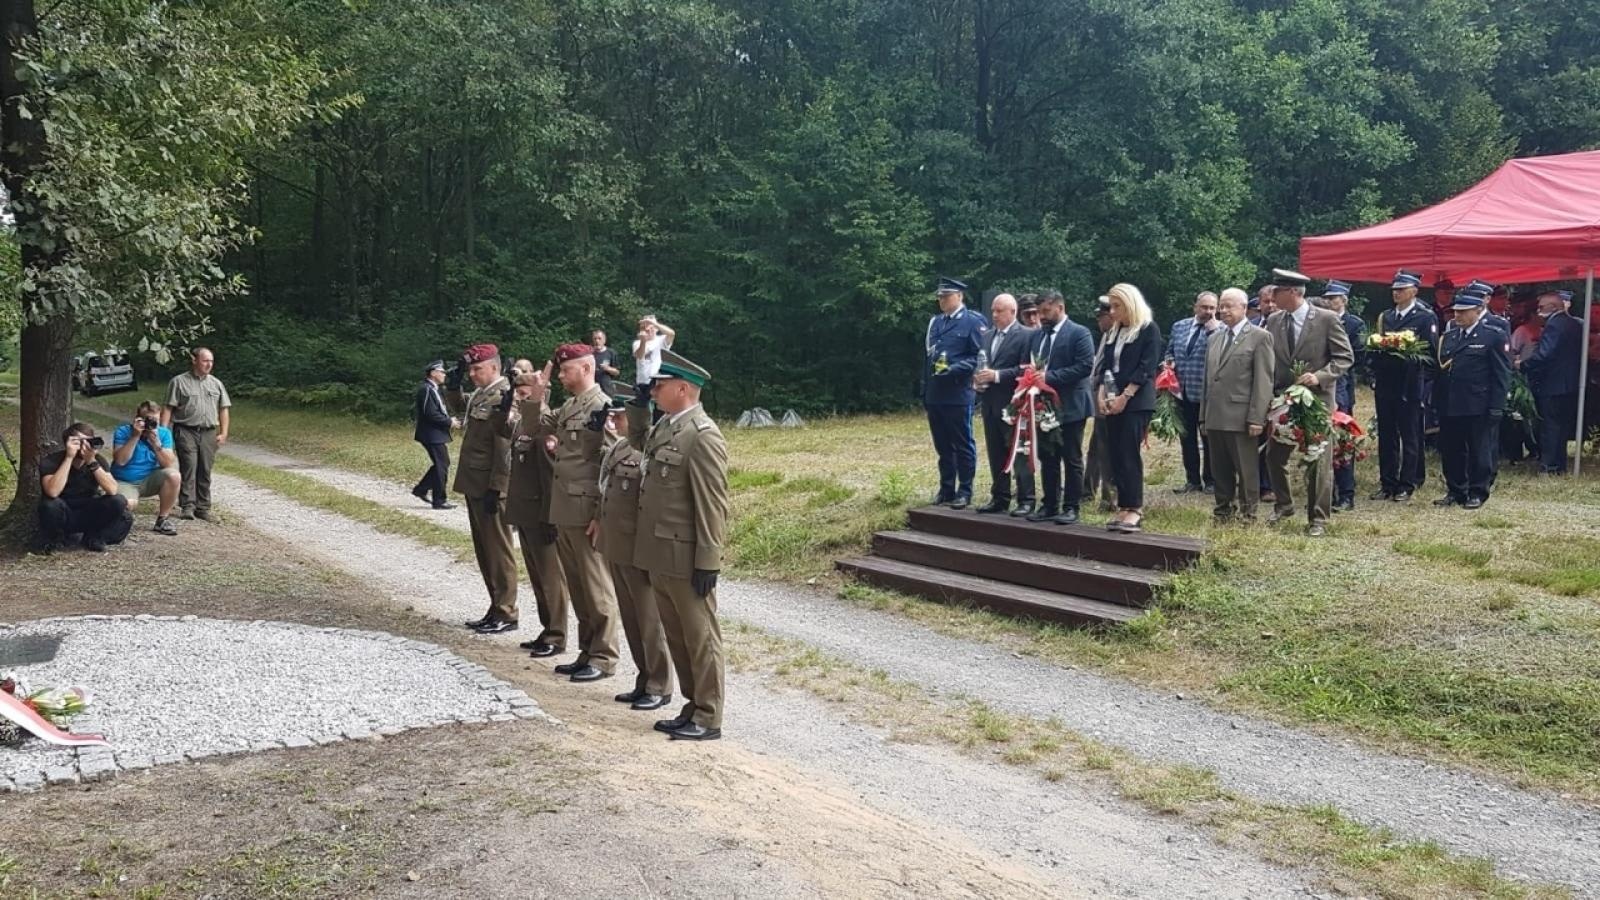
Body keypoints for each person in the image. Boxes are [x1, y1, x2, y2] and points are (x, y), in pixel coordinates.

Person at [626, 349, 730, 741]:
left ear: (683, 389)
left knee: (700, 638)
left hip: (686, 556)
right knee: (678, 636)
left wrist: (708, 560)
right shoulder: (667, 427)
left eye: (660, 385)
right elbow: (637, 442)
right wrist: (636, 407)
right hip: (660, 554)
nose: (653, 390)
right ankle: (692, 705)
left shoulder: (702, 436)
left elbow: (712, 504)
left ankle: (708, 714)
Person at [526, 343, 621, 682]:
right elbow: (533, 424)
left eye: (566, 370)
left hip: (586, 511)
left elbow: (616, 464)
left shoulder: (602, 406)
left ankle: (605, 655)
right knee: (579, 587)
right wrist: (539, 389)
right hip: (564, 507)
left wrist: (602, 515)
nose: (562, 375)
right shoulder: (570, 406)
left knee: (596, 588)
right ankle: (587, 650)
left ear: (586, 368)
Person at [596, 391, 674, 710]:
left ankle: (660, 683)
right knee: (631, 618)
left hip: (639, 546)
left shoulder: (649, 449)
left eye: (621, 414)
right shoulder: (618, 446)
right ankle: (644, 678)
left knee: (650, 619)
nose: (615, 419)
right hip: (618, 544)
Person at [1263, 269, 1354, 537]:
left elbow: (1344, 357)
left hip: (1317, 401)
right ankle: (1284, 505)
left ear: (1293, 292)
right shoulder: (1275, 320)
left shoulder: (1325, 319)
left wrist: (1320, 376)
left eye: (1276, 291)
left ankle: (1318, 518)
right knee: (1274, 456)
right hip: (1284, 398)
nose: (1271, 296)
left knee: (1318, 459)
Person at [505, 365, 573, 659]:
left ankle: (557, 635)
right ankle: (547, 629)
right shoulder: (524, 424)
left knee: (551, 579)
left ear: (540, 393)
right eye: (518, 394)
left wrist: (550, 516)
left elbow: (549, 476)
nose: (520, 400)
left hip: (541, 512)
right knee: (536, 576)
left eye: (525, 394)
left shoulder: (546, 427)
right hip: (525, 511)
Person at [456, 343, 520, 635]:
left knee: (498, 549)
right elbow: (459, 407)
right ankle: (495, 606)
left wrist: (498, 487)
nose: (472, 374)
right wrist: (452, 385)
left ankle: (507, 610)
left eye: (477, 368)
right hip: (474, 481)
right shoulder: (482, 395)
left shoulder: (505, 396)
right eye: (470, 369)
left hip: (490, 485)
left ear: (494, 367)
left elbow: (504, 446)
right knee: (484, 549)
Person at [1093, 283, 1162, 533]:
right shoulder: (1115, 332)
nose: (1111, 311)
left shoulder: (1147, 330)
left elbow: (1147, 367)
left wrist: (1126, 396)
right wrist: (1102, 395)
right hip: (1113, 399)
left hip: (1136, 402)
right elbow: (1106, 367)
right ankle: (1123, 505)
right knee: (1115, 454)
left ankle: (1135, 508)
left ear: (1130, 304)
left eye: (1116, 306)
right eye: (1110, 306)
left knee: (1128, 453)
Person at [1200, 288, 1274, 522]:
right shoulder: (1214, 338)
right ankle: (1223, 509)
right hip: (1215, 415)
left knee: (1246, 468)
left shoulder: (1259, 337)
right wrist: (1203, 416)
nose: (1223, 310)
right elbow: (1207, 380)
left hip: (1242, 416)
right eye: (1222, 306)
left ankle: (1248, 512)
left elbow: (1263, 381)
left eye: (1229, 306)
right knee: (1219, 468)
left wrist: (1257, 417)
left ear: (1244, 308)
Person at [1434, 286, 1511, 509]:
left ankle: (1478, 491)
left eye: (1464, 311)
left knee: (1479, 450)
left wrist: (1497, 407)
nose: (1458, 315)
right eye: (1456, 311)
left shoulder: (1492, 336)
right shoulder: (1449, 336)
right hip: (1450, 402)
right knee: (1451, 449)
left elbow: (1501, 374)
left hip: (1478, 403)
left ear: (1478, 310)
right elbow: (1442, 370)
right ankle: (1456, 489)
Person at [1026, 290, 1095, 525]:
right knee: (1048, 456)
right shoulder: (1037, 337)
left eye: (1046, 311)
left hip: (1072, 405)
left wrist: (1048, 377)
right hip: (1045, 406)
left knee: (1071, 456)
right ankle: (1049, 504)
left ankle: (1072, 506)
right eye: (1039, 312)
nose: (1042, 317)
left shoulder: (1079, 333)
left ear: (1060, 307)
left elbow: (1085, 367)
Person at [1370, 270, 1437, 502]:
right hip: (1387, 383)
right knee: (1386, 434)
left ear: (1414, 291)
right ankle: (1387, 482)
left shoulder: (1425, 317)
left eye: (1401, 289)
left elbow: (1430, 354)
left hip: (1410, 383)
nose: (1396, 293)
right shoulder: (1386, 317)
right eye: (1394, 289)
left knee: (1410, 434)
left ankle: (1407, 482)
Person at [922, 276, 986, 508]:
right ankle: (946, 488)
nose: (942, 300)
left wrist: (954, 369)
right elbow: (927, 359)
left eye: (946, 296)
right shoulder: (936, 323)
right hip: (936, 394)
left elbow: (979, 357)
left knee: (962, 443)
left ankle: (965, 490)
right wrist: (925, 390)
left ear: (959, 296)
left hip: (958, 392)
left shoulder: (972, 321)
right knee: (942, 445)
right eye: (940, 297)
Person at [973, 293, 1037, 516]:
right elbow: (981, 364)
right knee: (996, 451)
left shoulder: (1027, 335)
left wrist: (997, 375)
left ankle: (1026, 499)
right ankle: (1000, 497)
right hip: (990, 403)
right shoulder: (987, 336)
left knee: (1018, 451)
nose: (994, 315)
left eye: (999, 311)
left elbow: (1027, 369)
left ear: (1012, 312)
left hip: (1014, 403)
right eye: (993, 310)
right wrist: (978, 380)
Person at [37, 423, 133, 552]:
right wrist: (69, 458)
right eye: (80, 442)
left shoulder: (98, 460)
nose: (84, 446)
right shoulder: (52, 461)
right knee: (49, 505)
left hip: (89, 509)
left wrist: (91, 462)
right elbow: (52, 492)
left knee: (119, 504)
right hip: (63, 510)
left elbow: (112, 490)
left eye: (88, 441)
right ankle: (56, 539)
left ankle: (94, 537)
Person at [161, 347, 231, 522]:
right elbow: (168, 407)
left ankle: (203, 507)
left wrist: (223, 432)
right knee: (189, 467)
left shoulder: (216, 384)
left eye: (211, 361)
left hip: (208, 432)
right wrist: (163, 432)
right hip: (186, 430)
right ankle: (187, 506)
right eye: (205, 360)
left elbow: (223, 409)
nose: (209, 364)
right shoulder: (178, 382)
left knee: (205, 470)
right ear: (194, 360)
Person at [1520, 290, 1584, 474]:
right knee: (1562, 427)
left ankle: (1549, 466)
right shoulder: (1574, 323)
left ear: (1553, 307)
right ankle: (1559, 465)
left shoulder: (1555, 324)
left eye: (1541, 308)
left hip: (1554, 384)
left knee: (1550, 427)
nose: (1538, 311)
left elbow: (1545, 354)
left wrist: (1523, 365)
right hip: (1570, 383)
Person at [1166, 291, 1220, 493]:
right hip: (1182, 392)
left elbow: (1221, 355)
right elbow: (1170, 350)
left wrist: (1213, 331)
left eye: (1212, 308)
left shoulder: (1220, 329)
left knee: (1209, 440)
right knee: (1187, 438)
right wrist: (1168, 362)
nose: (1208, 311)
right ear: (1195, 306)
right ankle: (1192, 480)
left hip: (1207, 395)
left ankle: (1211, 481)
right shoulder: (1179, 326)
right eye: (1204, 307)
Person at [1320, 282, 1366, 511]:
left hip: (1341, 387)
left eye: (1334, 297)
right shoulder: (1318, 321)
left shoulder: (1354, 324)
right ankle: (1325, 491)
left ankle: (1346, 494)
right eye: (1326, 297)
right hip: (1321, 386)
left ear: (1344, 300)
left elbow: (1354, 358)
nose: (1329, 301)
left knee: (1341, 442)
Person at [110, 401, 181, 535]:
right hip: (125, 481)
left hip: (149, 479)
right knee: (128, 504)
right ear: (138, 419)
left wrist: (156, 444)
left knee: (174, 476)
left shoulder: (163, 433)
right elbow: (120, 461)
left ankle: (162, 519)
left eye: (156, 421)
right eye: (149, 420)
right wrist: (135, 436)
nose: (152, 425)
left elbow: (167, 464)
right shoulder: (123, 431)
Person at [1082, 296, 1116, 512]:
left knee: (1107, 451)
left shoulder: (1116, 338)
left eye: (1101, 316)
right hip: (1098, 401)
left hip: (1110, 402)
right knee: (1095, 449)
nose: (1098, 321)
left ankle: (1109, 497)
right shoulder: (1106, 337)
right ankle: (1087, 489)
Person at [411, 360, 458, 510]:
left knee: (442, 464)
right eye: (441, 371)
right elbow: (429, 413)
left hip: (435, 433)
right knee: (441, 465)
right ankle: (439, 500)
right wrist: (448, 422)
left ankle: (421, 489)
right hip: (431, 433)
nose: (444, 374)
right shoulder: (426, 389)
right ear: (433, 373)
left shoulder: (434, 389)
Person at [632, 314, 677, 402]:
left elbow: (672, 334)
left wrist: (654, 323)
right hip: (642, 383)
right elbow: (639, 355)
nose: (647, 329)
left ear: (656, 329)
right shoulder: (637, 343)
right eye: (644, 326)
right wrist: (643, 341)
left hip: (657, 382)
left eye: (650, 326)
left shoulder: (661, 340)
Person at [591, 330, 620, 397]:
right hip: (593, 390)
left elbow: (617, 372)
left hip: (607, 390)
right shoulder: (590, 353)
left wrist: (608, 368)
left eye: (599, 338)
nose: (597, 341)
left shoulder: (611, 353)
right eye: (595, 339)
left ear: (604, 340)